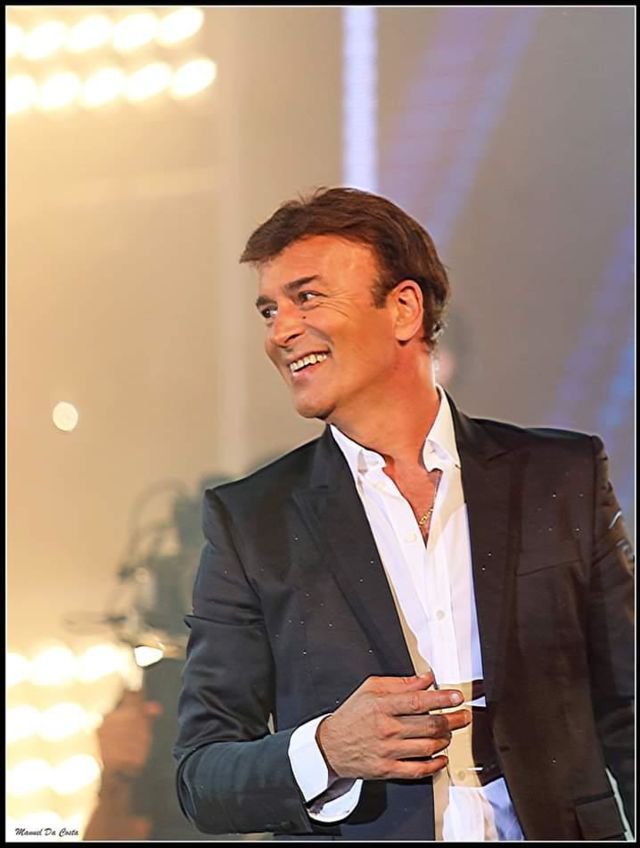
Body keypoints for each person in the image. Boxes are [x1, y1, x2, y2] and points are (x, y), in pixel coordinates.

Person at [173, 187, 634, 841]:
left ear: (404, 309)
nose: (279, 332)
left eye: (307, 297)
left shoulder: (560, 475)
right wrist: (328, 750)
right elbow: (202, 777)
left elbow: (628, 707)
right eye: (270, 310)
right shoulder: (252, 522)